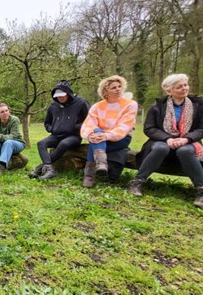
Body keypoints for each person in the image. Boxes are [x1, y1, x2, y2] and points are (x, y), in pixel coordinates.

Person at [128, 74, 203, 207]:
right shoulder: (157, 106)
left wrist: (186, 139)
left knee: (185, 151)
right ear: (169, 91)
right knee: (160, 148)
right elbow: (149, 128)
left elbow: (201, 129)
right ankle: (137, 182)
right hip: (161, 141)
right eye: (179, 87)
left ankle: (201, 190)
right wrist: (167, 138)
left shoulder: (199, 105)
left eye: (185, 85)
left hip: (189, 142)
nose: (184, 88)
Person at [80, 75, 138, 188]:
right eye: (113, 87)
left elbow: (125, 126)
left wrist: (106, 135)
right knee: (95, 133)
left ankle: (89, 176)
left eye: (120, 86)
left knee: (94, 144)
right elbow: (88, 124)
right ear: (105, 91)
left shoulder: (130, 104)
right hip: (99, 137)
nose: (118, 89)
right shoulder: (97, 106)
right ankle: (101, 163)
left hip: (120, 138)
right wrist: (89, 135)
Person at [30, 80, 90, 180]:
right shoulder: (53, 106)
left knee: (64, 144)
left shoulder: (81, 103)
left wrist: (75, 127)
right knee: (41, 143)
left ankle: (39, 168)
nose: (60, 97)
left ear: (68, 93)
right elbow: (47, 123)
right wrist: (52, 128)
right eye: (57, 96)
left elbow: (90, 121)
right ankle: (50, 170)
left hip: (74, 136)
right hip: (56, 135)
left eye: (62, 95)